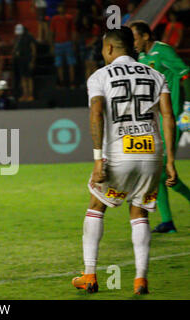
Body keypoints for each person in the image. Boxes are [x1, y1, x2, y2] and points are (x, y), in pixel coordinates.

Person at [72, 26, 177, 295]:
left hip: (120, 153)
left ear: (109, 49)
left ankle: (89, 275)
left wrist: (98, 159)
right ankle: (140, 279)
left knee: (97, 205)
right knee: (139, 211)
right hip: (151, 152)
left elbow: (96, 113)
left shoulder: (99, 76)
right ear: (132, 47)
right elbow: (168, 116)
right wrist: (170, 160)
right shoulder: (156, 75)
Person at [130, 21, 190, 233]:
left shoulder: (163, 51)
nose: (133, 43)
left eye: (135, 38)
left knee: (161, 172)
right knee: (162, 172)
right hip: (156, 119)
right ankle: (168, 222)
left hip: (172, 117)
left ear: (146, 36)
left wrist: (188, 107)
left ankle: (167, 221)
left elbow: (186, 73)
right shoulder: (142, 58)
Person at [49, 2, 76, 88]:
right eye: (59, 8)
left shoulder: (69, 18)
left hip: (68, 43)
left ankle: (72, 82)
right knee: (59, 65)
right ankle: (61, 82)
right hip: (58, 44)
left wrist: (73, 43)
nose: (61, 9)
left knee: (71, 64)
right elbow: (52, 33)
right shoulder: (54, 19)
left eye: (62, 7)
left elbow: (73, 31)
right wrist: (52, 46)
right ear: (57, 9)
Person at [13, 24, 36, 102]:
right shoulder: (18, 38)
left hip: (28, 60)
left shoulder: (29, 37)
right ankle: (25, 94)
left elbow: (33, 48)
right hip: (20, 61)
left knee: (29, 78)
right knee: (23, 78)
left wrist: (32, 60)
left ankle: (31, 95)